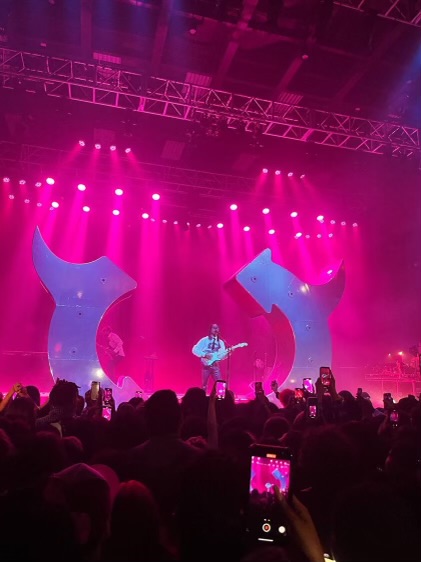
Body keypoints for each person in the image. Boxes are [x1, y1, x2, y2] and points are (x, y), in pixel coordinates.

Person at [192, 324, 226, 393]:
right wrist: (204, 355)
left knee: (220, 383)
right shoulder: (204, 340)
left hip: (215, 365)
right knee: (204, 385)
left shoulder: (221, 342)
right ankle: (202, 399)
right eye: (214, 328)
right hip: (205, 366)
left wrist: (227, 354)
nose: (216, 329)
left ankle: (221, 398)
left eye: (217, 328)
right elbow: (194, 349)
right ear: (210, 330)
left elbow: (221, 356)